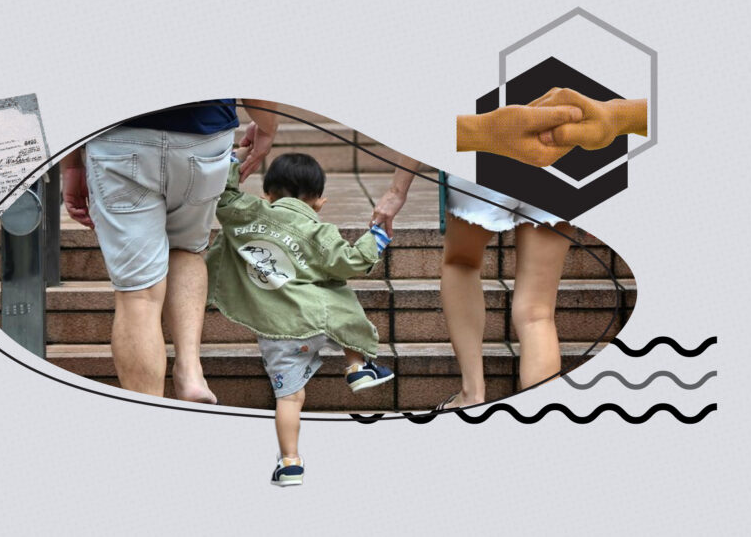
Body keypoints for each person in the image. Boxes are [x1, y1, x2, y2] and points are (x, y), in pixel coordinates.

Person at [371, 89, 647, 409]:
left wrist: (397, 189)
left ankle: (472, 395)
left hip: (487, 129)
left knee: (462, 263)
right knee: (537, 311)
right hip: (569, 138)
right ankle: (541, 414)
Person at [61, 99, 280, 404]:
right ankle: (190, 373)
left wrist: (70, 162)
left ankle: (149, 414)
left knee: (139, 293)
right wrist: (268, 127)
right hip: (203, 136)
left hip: (119, 139)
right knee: (188, 250)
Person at [206, 148, 394, 487]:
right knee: (337, 296)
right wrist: (375, 238)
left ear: (267, 193)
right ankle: (356, 366)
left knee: (289, 398)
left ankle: (290, 462)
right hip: (318, 321)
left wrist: (232, 162)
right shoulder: (318, 232)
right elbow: (349, 262)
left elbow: (224, 197)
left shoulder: (249, 212)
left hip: (275, 331)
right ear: (319, 202)